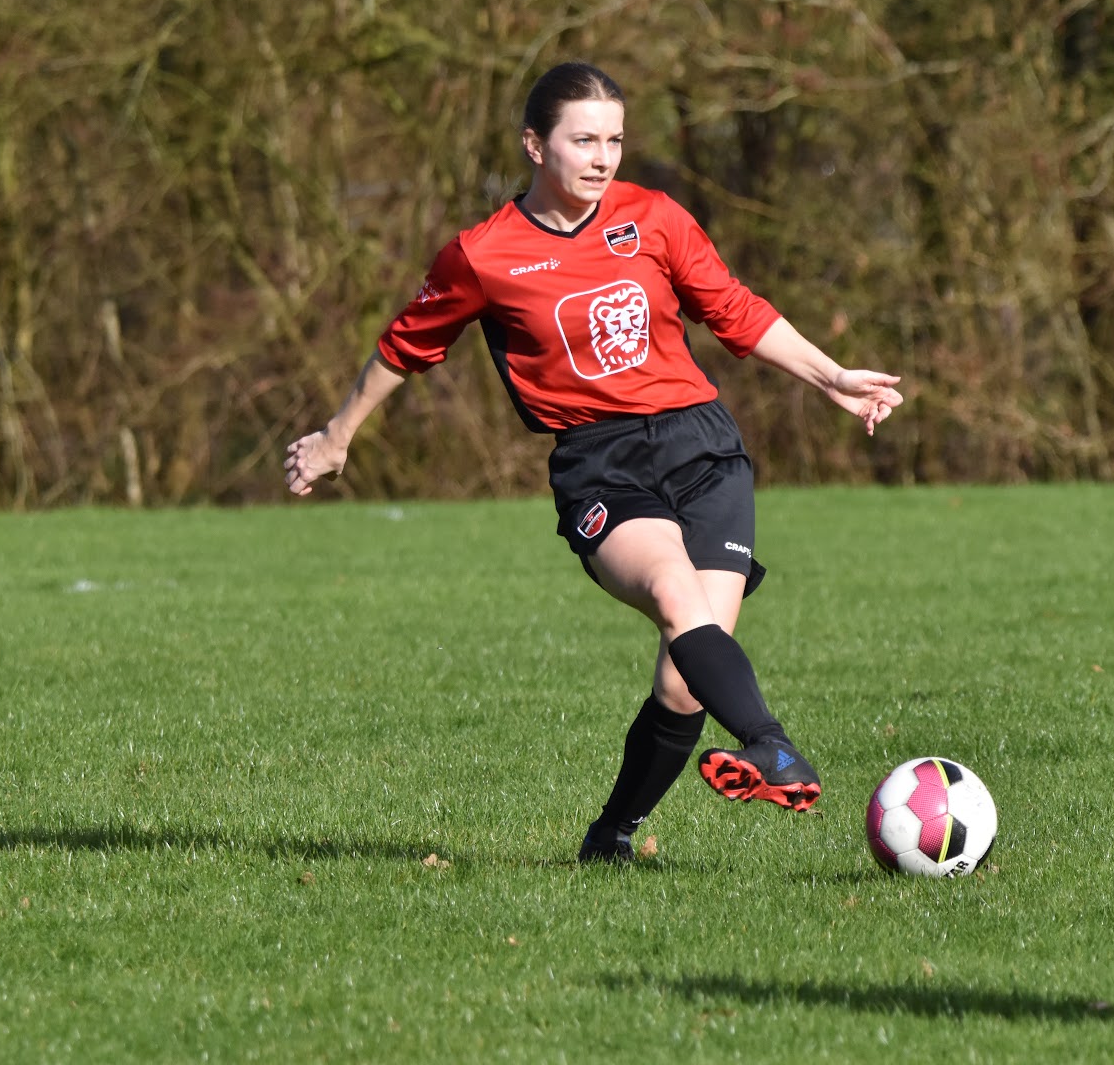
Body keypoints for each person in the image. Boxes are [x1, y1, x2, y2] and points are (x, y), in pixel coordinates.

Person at [284, 61, 903, 863]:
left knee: (685, 678)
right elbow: (406, 347)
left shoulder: (653, 216)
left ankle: (610, 837)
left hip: (703, 448)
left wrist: (835, 379)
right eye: (584, 140)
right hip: (601, 464)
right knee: (679, 599)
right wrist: (338, 436)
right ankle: (773, 745)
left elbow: (735, 310)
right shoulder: (484, 254)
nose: (603, 156)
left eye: (614, 139)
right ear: (535, 145)